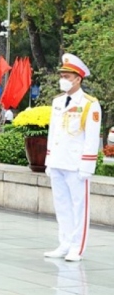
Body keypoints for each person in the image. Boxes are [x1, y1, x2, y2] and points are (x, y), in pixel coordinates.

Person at [44, 53, 101, 262]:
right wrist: (48, 160)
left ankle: (77, 247)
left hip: (77, 164)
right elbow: (53, 133)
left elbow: (92, 137)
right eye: (62, 75)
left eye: (67, 76)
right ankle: (64, 243)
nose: (63, 79)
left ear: (78, 78)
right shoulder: (58, 102)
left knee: (79, 206)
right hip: (58, 161)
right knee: (61, 205)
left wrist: (87, 166)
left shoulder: (89, 104)